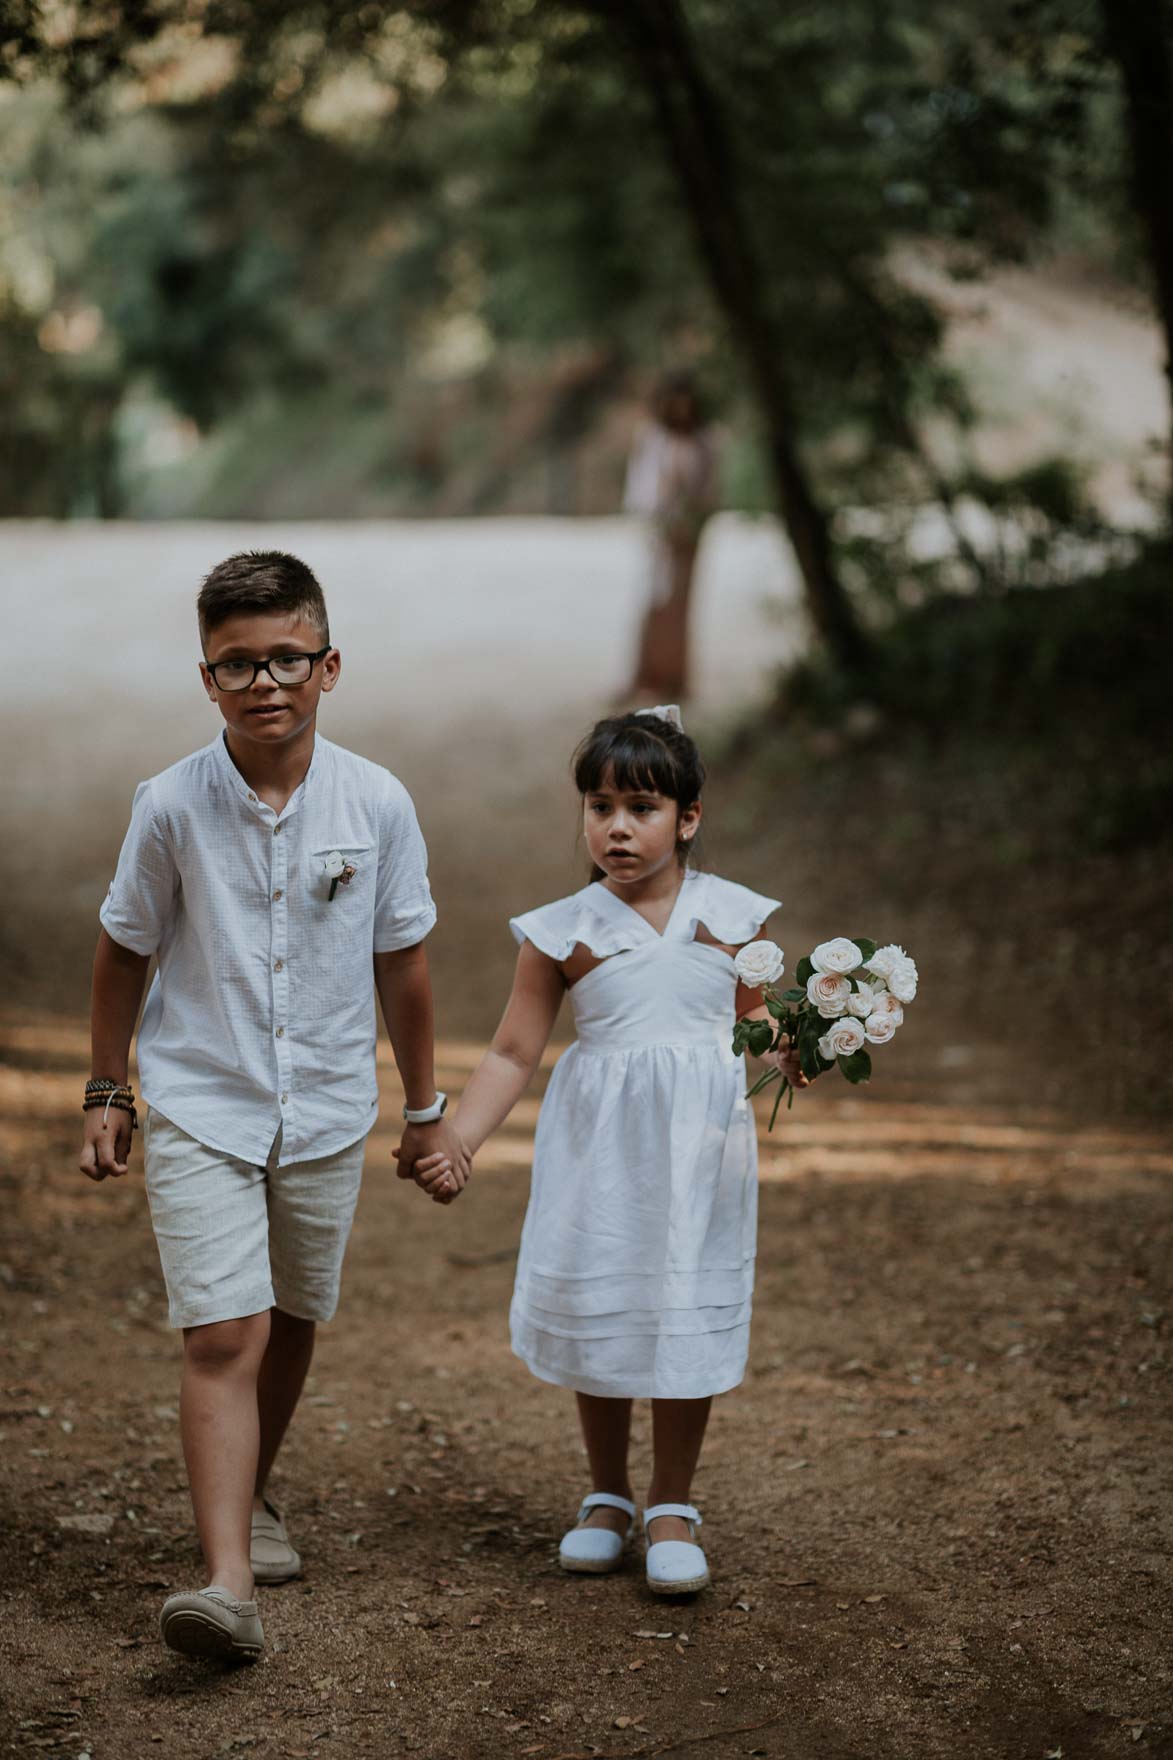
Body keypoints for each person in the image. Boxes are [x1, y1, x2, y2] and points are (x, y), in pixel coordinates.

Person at [80, 550, 467, 1663]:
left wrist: (426, 1105)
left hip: (331, 1102)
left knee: (292, 1311)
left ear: (328, 664)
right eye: (236, 663)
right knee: (223, 1329)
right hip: (205, 1094)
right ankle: (227, 1583)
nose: (263, 681)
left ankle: (252, 1493)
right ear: (206, 678)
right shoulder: (170, 806)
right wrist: (111, 1086)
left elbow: (406, 962)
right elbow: (124, 948)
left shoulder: (377, 800)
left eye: (285, 657)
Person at [407, 706, 804, 1596]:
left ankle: (671, 1502)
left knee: (678, 1299)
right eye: (598, 807)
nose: (616, 828)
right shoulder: (562, 931)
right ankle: (606, 1494)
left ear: (687, 818)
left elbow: (756, 1024)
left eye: (641, 809)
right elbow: (513, 1051)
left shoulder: (734, 921)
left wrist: (798, 1047)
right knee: (609, 1297)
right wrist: (460, 1143)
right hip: (602, 1148)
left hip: (697, 1149)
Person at [623, 375, 718, 703]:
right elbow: (641, 487)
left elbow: (710, 490)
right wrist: (657, 520)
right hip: (659, 532)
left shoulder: (705, 440)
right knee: (653, 601)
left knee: (680, 606)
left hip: (688, 534)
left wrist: (692, 521)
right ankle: (645, 675)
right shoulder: (653, 437)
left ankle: (676, 679)